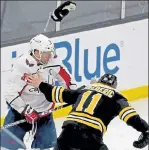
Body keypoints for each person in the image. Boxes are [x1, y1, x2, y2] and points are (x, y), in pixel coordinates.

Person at [28, 73, 149, 150]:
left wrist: (40, 84)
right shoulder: (117, 97)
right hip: (91, 138)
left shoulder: (85, 90)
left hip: (67, 133)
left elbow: (57, 93)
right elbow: (131, 117)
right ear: (114, 86)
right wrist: (146, 129)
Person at [1, 34, 77, 150]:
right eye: (46, 52)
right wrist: (24, 109)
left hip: (45, 115)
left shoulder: (53, 61)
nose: (49, 55)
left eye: (50, 52)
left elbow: (68, 81)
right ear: (36, 52)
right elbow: (10, 92)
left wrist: (75, 96)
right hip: (19, 114)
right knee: (7, 147)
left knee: (49, 148)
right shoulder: (23, 65)